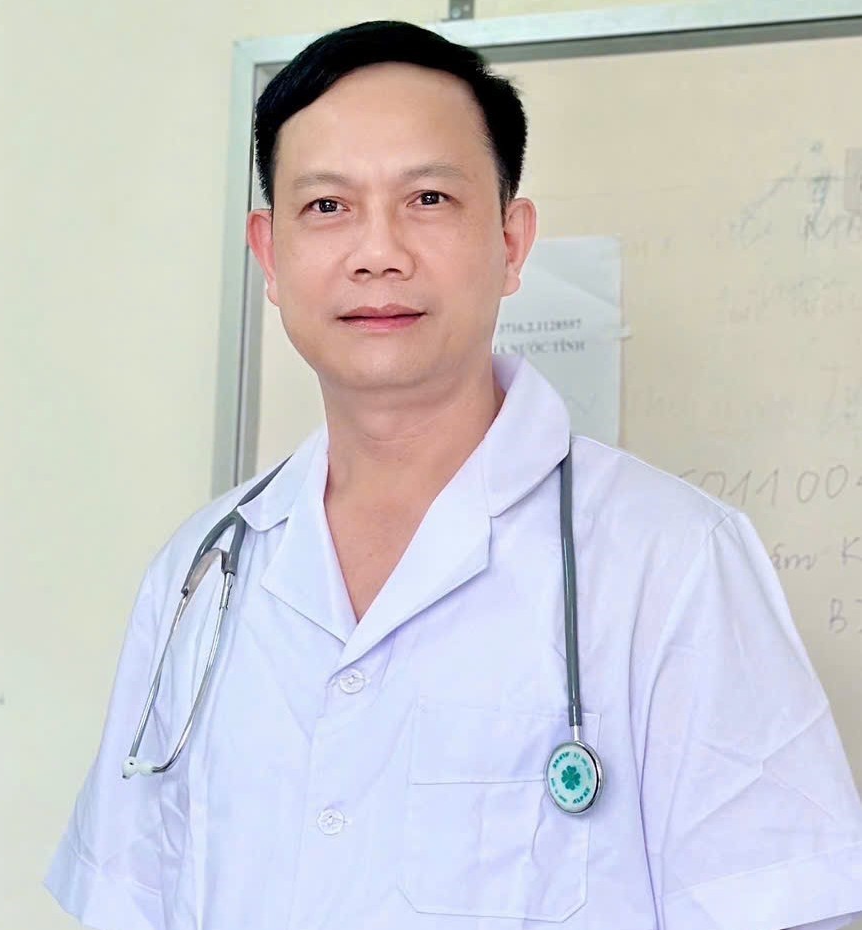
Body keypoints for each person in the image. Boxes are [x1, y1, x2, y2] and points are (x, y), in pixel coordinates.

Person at [44, 19, 862, 930]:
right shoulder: (199, 574)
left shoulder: (673, 563)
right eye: (328, 206)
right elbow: (127, 899)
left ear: (512, 241)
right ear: (269, 256)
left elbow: (783, 906)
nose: (378, 252)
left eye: (428, 198)